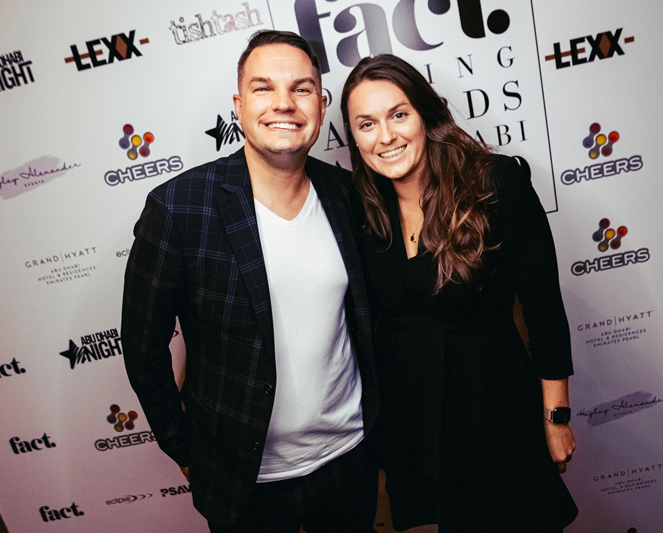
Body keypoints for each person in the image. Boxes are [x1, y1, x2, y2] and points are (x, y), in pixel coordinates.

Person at [121, 30, 379, 533]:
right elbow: (142, 347)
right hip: (244, 480)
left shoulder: (347, 194)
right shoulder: (179, 208)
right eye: (264, 88)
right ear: (239, 106)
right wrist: (182, 446)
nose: (284, 103)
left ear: (322, 105)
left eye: (302, 88)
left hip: (348, 458)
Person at [340, 54, 578, 532]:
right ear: (354, 138)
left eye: (398, 114)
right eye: (366, 124)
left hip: (492, 401)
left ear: (425, 115)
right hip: (413, 410)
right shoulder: (362, 207)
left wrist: (556, 417)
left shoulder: (493, 181)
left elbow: (544, 307)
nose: (385, 137)